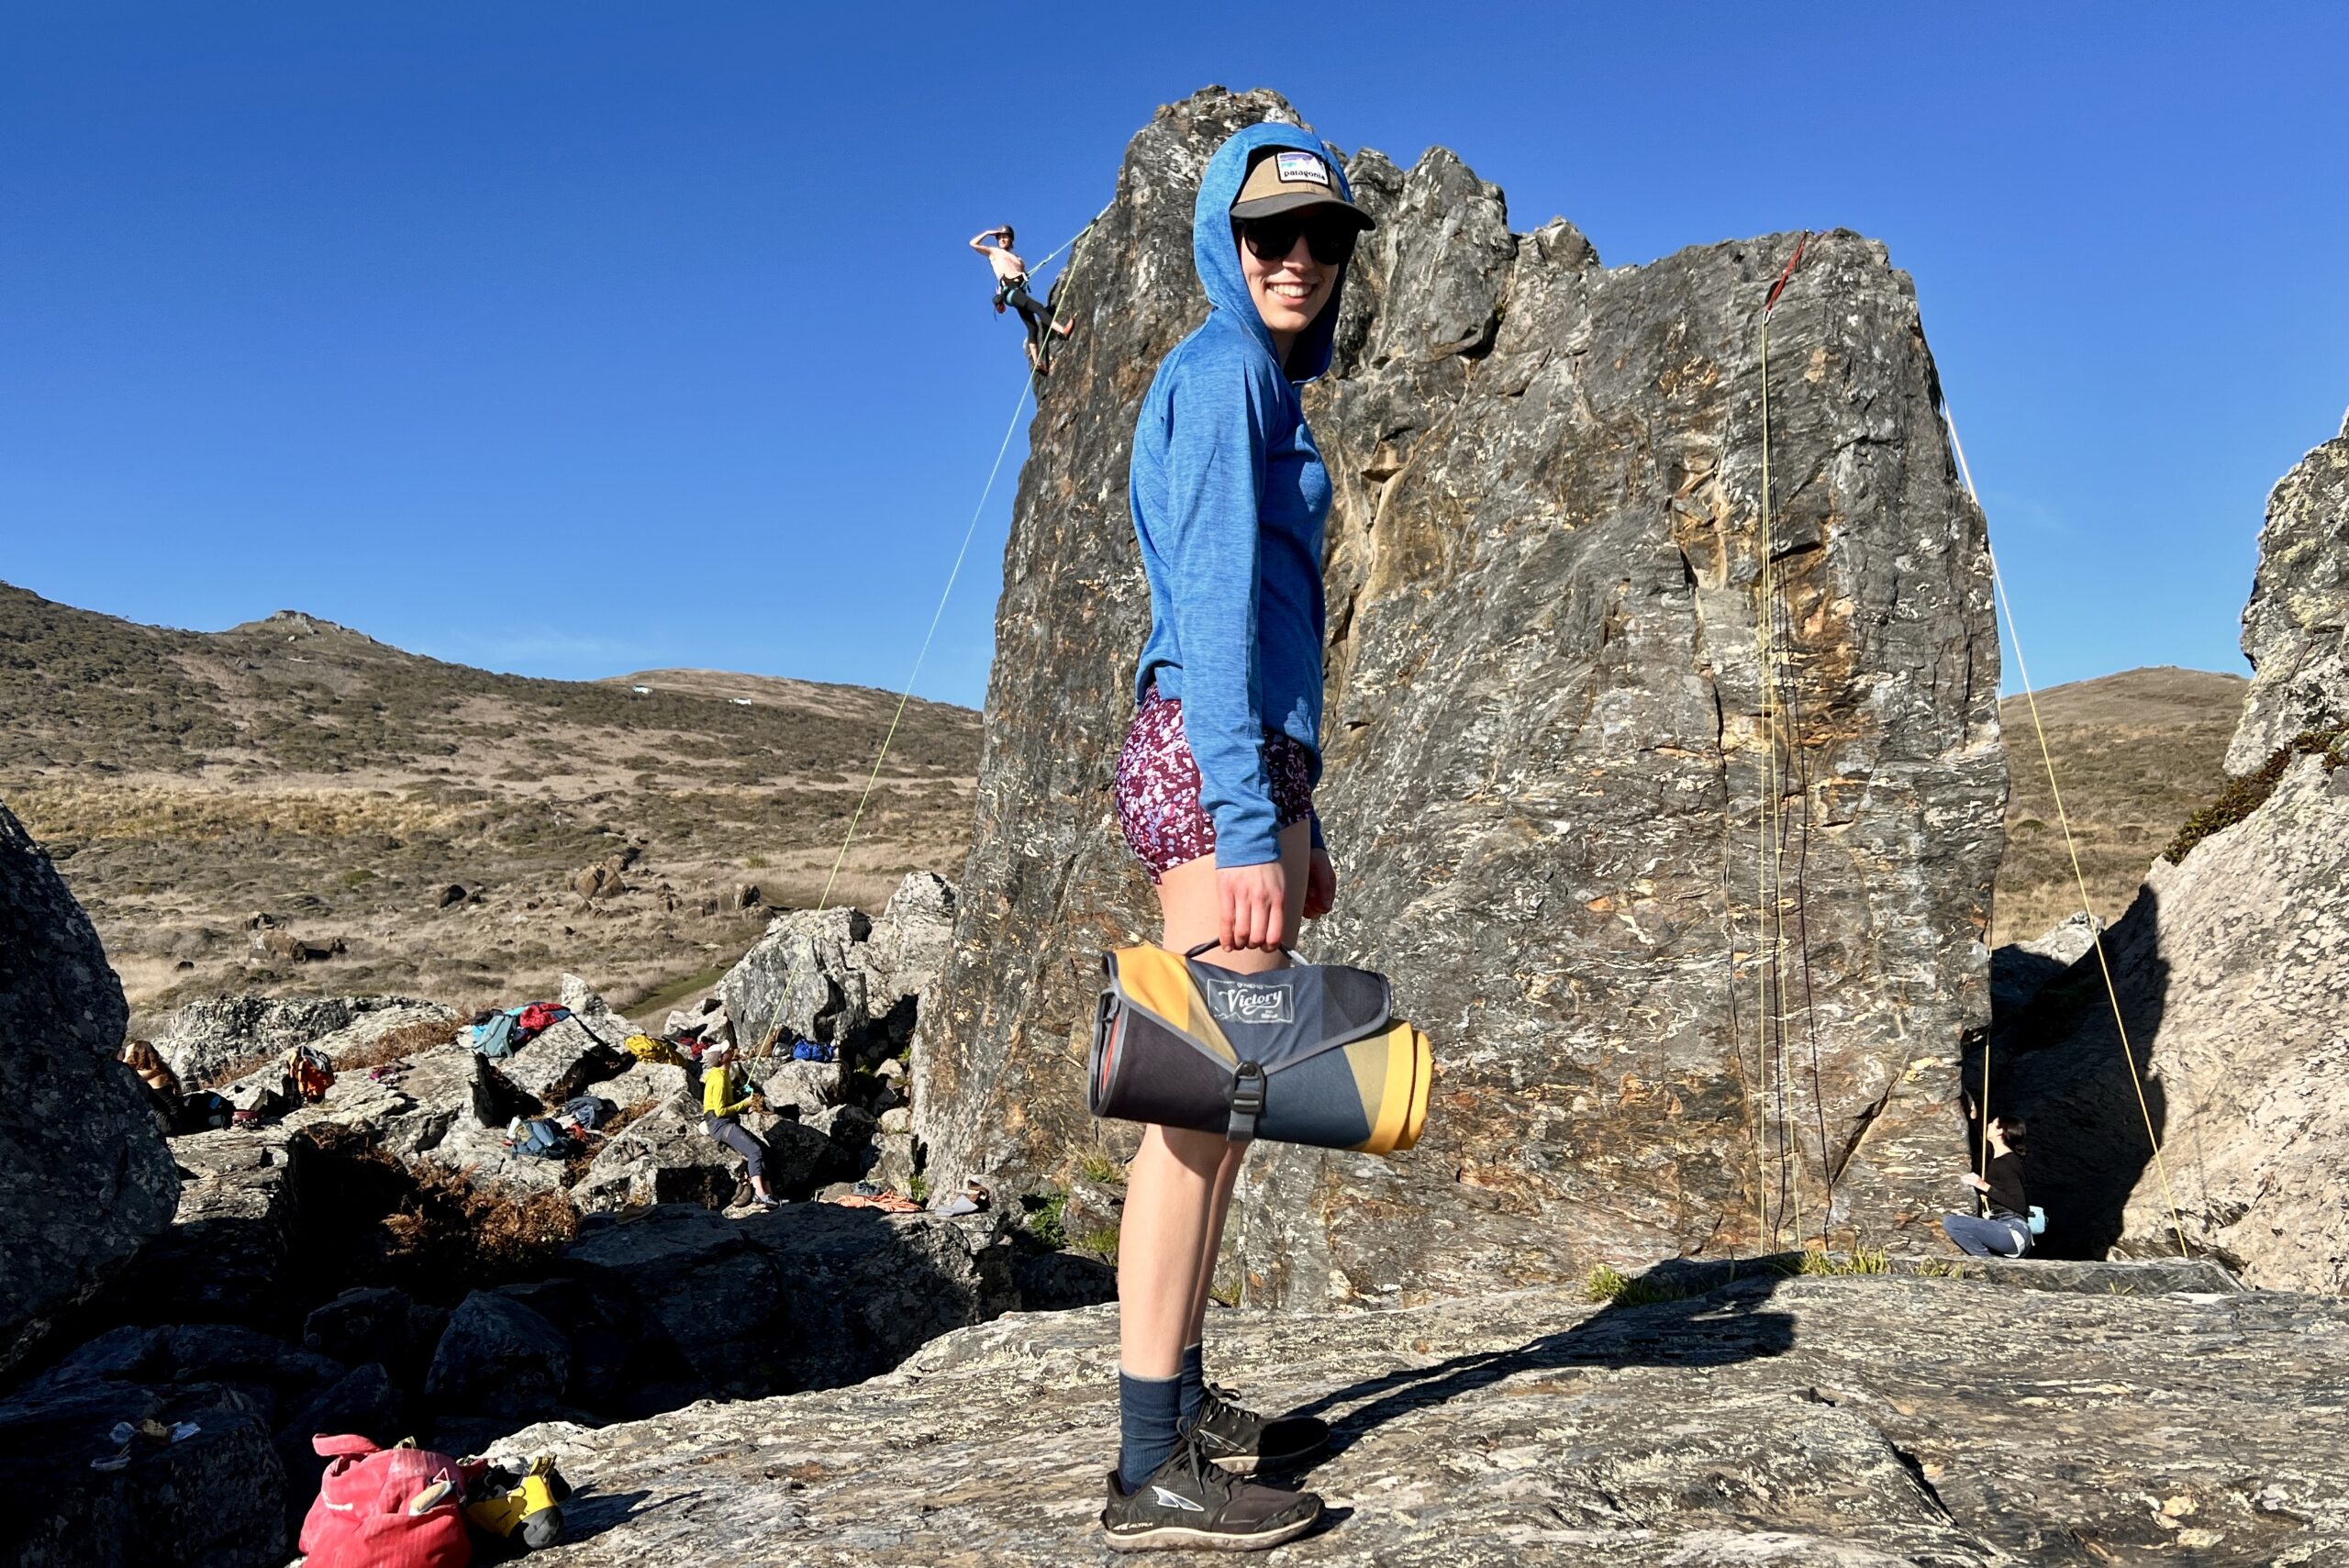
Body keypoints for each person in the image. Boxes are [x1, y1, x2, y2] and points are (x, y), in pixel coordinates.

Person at [1099, 123, 1375, 1553]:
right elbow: (1212, 619)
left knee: (1234, 1095)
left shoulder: (1261, 382)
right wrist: (1249, 817)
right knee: (1199, 1106)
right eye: (1271, 237)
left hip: (1248, 769)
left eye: (1322, 238)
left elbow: (1268, 640)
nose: (1299, 262)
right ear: (1226, 241)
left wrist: (1299, 806)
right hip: (1213, 766)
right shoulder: (1219, 379)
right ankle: (1148, 1457)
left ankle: (1182, 1398)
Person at [970, 225, 1074, 374]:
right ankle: (1062, 331)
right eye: (999, 237)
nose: (1002, 239)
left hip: (1019, 292)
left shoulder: (1019, 259)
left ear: (1011, 239)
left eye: (1005, 237)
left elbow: (1023, 274)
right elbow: (973, 244)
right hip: (1010, 291)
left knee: (1033, 327)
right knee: (1038, 307)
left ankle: (1038, 363)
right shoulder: (993, 252)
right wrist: (987, 233)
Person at [700, 1040, 782, 1207]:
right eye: (727, 1050)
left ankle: (769, 1195)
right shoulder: (719, 1080)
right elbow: (720, 1111)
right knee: (755, 1151)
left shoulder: (721, 1075)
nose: (731, 1050)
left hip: (724, 1123)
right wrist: (743, 1104)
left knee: (765, 1151)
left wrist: (742, 1105)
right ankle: (760, 1194)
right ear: (722, 1058)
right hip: (720, 1125)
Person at [1943, 1116, 2032, 1257]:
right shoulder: (2002, 1160)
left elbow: (2019, 1204)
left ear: (2000, 1131)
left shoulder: (2006, 1163)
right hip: (2009, 1231)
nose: (1988, 1125)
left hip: (2013, 1230)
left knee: (1951, 1223)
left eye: (1992, 1123)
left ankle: (1987, 1263)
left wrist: (1983, 1185)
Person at [117, 1040, 183, 1129]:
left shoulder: (149, 1073)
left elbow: (124, 1074)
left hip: (169, 1121)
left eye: (126, 1053)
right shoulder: (157, 1068)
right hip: (174, 1116)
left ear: (136, 1055)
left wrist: (120, 1058)